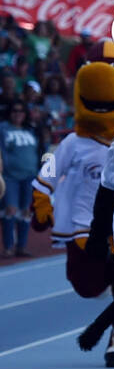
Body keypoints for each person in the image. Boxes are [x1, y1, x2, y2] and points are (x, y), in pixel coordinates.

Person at [1, 102, 40, 257]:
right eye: (15, 111)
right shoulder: (3, 129)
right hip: (10, 177)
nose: (18, 114)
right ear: (9, 113)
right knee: (10, 209)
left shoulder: (30, 130)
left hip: (29, 176)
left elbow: (40, 149)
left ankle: (21, 246)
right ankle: (8, 247)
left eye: (21, 111)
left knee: (26, 212)